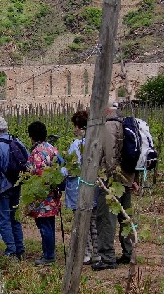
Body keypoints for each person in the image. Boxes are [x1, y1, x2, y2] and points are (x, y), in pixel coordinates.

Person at [92, 102, 137, 271]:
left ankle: (107, 258)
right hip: (126, 178)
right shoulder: (124, 123)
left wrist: (108, 177)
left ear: (106, 110)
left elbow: (110, 155)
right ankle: (129, 252)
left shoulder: (109, 126)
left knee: (106, 219)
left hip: (112, 181)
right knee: (126, 218)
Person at [0, 116, 28, 259]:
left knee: (4, 220)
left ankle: (11, 251)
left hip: (2, 189)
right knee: (15, 218)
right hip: (16, 186)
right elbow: (27, 162)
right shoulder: (16, 141)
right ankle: (20, 249)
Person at [63, 110, 100, 265]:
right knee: (92, 222)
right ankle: (97, 254)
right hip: (94, 188)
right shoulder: (96, 142)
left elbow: (71, 169)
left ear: (79, 127)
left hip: (78, 188)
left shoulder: (77, 144)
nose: (74, 129)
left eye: (75, 126)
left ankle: (86, 254)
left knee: (80, 221)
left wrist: (60, 172)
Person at [26, 121, 61, 266]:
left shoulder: (37, 152)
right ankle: (48, 252)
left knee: (44, 225)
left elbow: (39, 173)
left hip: (42, 195)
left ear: (32, 136)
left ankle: (48, 256)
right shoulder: (52, 148)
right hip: (53, 193)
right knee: (50, 224)